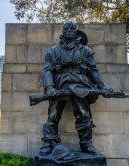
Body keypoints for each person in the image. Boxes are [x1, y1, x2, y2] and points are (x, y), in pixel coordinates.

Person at [40, 20, 112, 156]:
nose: (69, 31)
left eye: (71, 29)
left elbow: (93, 71)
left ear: (75, 31)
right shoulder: (53, 51)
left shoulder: (86, 51)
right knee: (53, 115)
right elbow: (47, 70)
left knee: (84, 115)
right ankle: (48, 143)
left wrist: (104, 87)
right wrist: (49, 86)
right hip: (59, 85)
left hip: (81, 86)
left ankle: (86, 144)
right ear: (62, 32)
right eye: (66, 29)